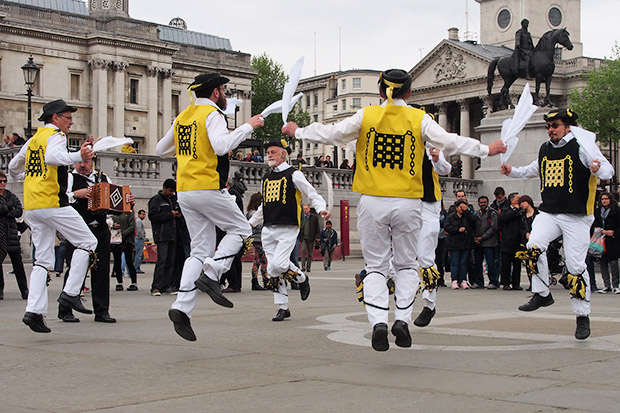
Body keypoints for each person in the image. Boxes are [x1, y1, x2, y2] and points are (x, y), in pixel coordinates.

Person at [282, 68, 506, 351]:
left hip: (373, 201)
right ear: (410, 93)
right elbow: (450, 141)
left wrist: (298, 130)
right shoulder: (418, 118)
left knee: (375, 266)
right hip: (408, 203)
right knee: (406, 264)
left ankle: (377, 322)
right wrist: (487, 149)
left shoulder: (368, 116)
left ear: (379, 91)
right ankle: (401, 318)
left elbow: (333, 134)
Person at [156, 72, 264, 341]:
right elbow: (221, 146)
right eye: (224, 90)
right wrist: (248, 126)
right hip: (206, 185)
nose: (225, 95)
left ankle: (181, 306)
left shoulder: (184, 116)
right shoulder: (213, 114)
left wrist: (186, 151)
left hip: (185, 190)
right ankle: (213, 273)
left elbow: (160, 149)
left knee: (199, 248)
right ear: (216, 92)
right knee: (240, 229)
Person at [501, 108, 614, 339]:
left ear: (568, 127)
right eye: (548, 126)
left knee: (575, 267)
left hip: (577, 216)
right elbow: (532, 170)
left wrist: (597, 168)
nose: (551, 130)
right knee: (533, 247)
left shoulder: (582, 147)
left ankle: (582, 316)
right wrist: (512, 171)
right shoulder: (544, 149)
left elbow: (608, 170)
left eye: (555, 126)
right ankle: (542, 293)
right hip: (550, 212)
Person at [8, 99, 98, 333]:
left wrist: (23, 179)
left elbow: (13, 167)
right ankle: (70, 294)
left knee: (42, 260)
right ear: (55, 118)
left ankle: (34, 311)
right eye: (68, 118)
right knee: (88, 242)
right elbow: (53, 158)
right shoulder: (56, 136)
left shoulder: (32, 140)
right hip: (52, 202)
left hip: (33, 206)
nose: (71, 122)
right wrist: (79, 155)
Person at [248, 139, 328, 322]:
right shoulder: (266, 177)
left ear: (283, 154)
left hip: (288, 227)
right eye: (268, 152)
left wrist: (321, 208)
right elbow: (263, 205)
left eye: (273, 152)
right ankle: (282, 307)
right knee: (273, 270)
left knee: (279, 265)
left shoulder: (294, 174)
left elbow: (311, 192)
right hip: (268, 227)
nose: (269, 155)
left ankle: (301, 278)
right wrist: (251, 223)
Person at [58, 157, 127, 323]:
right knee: (75, 268)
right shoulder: (69, 178)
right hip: (78, 230)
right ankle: (65, 309)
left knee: (101, 270)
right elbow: (58, 198)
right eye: (80, 161)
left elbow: (114, 202)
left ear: (93, 162)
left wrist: (126, 202)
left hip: (100, 230)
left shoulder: (103, 178)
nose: (82, 165)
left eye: (86, 162)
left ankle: (102, 311)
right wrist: (76, 194)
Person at [413, 146, 452, 327]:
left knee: (425, 255)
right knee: (399, 251)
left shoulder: (431, 147)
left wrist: (437, 159)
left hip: (429, 205)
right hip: (407, 202)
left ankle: (429, 304)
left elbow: (445, 169)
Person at [0, 171, 28, 300]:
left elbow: (18, 211)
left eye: (4, 181)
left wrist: (8, 210)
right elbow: (5, 209)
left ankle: (24, 290)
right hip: (1, 234)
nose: (2, 184)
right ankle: (0, 290)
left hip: (11, 233)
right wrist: (8, 209)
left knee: (18, 263)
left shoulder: (10, 195)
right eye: (0, 181)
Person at [148, 179, 179, 296]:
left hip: (172, 234)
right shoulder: (156, 200)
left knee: (170, 261)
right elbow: (153, 216)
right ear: (164, 188)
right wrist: (170, 214)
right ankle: (156, 287)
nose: (171, 193)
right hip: (162, 234)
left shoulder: (172, 200)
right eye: (170, 191)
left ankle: (166, 285)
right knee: (161, 261)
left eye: (173, 191)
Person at [445, 199, 477, 290]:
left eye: (464, 207)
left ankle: (463, 280)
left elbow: (474, 220)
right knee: (455, 262)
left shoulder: (467, 216)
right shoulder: (451, 217)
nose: (462, 209)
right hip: (454, 243)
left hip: (466, 243)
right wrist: (457, 229)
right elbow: (447, 227)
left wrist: (467, 211)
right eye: (460, 207)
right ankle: (454, 280)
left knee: (463, 263)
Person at [594, 192, 620, 294]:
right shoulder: (597, 211)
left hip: (613, 239)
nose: (604, 201)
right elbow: (594, 224)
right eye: (602, 199)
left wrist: (614, 234)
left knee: (613, 262)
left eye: (606, 199)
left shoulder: (616, 210)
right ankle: (606, 285)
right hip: (601, 238)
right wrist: (602, 231)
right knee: (603, 262)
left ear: (610, 199)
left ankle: (616, 285)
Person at [473, 195, 500, 289]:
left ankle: (493, 281)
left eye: (484, 202)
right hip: (478, 243)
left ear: (488, 203)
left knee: (491, 263)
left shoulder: (492, 213)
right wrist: (475, 238)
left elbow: (494, 228)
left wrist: (482, 237)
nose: (483, 204)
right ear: (478, 204)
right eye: (481, 202)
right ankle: (479, 282)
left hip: (490, 243)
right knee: (477, 263)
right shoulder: (476, 214)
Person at [499, 192, 522, 290]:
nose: (519, 199)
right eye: (517, 198)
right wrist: (515, 210)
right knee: (506, 264)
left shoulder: (521, 211)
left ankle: (516, 283)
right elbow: (504, 218)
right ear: (512, 200)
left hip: (518, 240)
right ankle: (506, 283)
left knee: (517, 264)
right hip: (507, 240)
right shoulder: (505, 210)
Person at [112, 210, 138, 292]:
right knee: (117, 262)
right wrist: (113, 225)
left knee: (129, 261)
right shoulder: (113, 213)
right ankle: (119, 282)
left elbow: (132, 226)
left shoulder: (129, 213)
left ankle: (134, 282)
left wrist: (123, 234)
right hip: (116, 240)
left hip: (127, 240)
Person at [246, 192, 267, 291]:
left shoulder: (249, 212)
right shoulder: (254, 214)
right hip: (258, 238)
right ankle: (259, 280)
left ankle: (263, 279)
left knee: (261, 260)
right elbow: (258, 225)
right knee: (260, 260)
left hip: (257, 238)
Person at [299, 204, 320, 272]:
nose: (305, 210)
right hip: (303, 237)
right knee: (303, 251)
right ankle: (303, 266)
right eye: (304, 209)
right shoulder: (302, 218)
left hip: (311, 237)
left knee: (310, 253)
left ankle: (308, 267)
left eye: (306, 209)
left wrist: (318, 237)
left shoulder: (314, 217)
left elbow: (317, 228)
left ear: (309, 209)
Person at [134, 209, 146, 273]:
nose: (144, 216)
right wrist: (142, 237)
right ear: (139, 214)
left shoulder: (139, 221)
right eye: (142, 214)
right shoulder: (139, 221)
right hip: (139, 239)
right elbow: (139, 231)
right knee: (138, 254)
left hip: (138, 239)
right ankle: (136, 268)